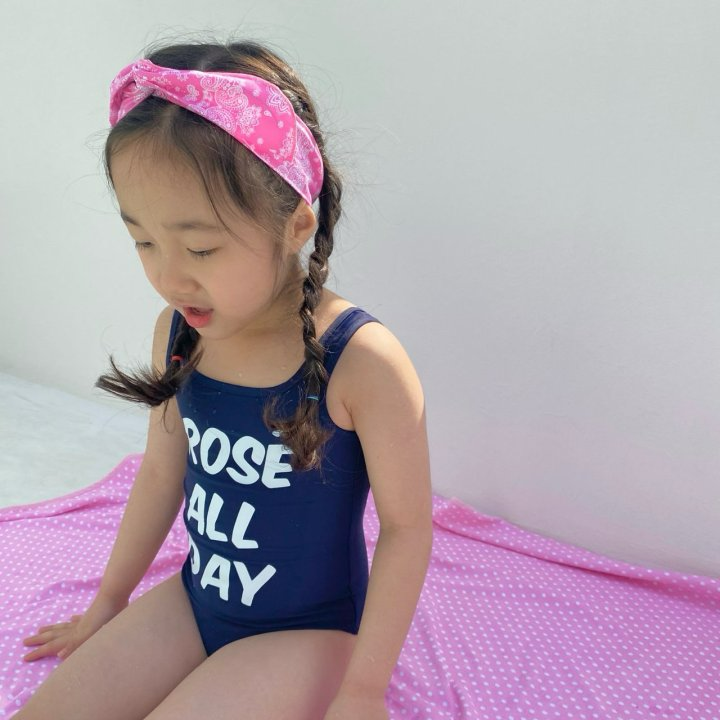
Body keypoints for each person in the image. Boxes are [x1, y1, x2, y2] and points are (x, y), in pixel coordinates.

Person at [16, 37, 433, 720]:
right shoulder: (179, 331)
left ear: (295, 224)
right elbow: (160, 474)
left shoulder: (362, 361)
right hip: (197, 601)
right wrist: (108, 604)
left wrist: (363, 689)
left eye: (200, 247)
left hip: (310, 635)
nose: (168, 276)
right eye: (143, 241)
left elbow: (407, 529)